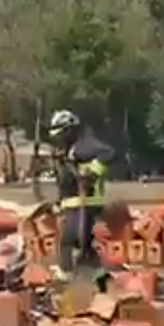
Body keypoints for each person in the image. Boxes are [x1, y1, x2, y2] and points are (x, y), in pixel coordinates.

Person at [47, 109, 114, 282]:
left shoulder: (84, 146)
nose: (58, 139)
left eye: (61, 134)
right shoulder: (70, 151)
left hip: (86, 203)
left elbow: (108, 154)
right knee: (84, 243)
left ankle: (65, 277)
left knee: (68, 241)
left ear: (70, 130)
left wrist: (91, 174)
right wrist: (59, 202)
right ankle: (99, 277)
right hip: (73, 203)